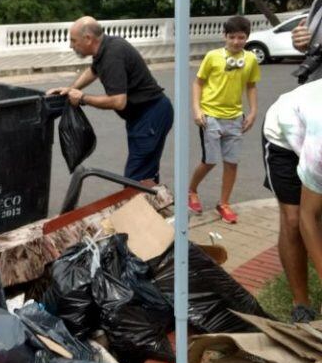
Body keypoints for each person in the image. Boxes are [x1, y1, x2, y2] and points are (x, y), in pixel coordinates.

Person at [46, 16, 173, 183]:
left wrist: (83, 98)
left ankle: (139, 207)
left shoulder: (112, 55)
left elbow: (119, 102)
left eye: (73, 40)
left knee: (135, 177)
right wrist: (72, 89)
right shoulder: (106, 48)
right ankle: (152, 205)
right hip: (145, 116)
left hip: (150, 116)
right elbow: (93, 71)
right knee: (146, 171)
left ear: (88, 39)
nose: (71, 45)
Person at [187, 16, 260, 224]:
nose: (237, 41)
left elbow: (251, 86)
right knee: (209, 161)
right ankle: (192, 190)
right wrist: (197, 109)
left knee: (232, 163)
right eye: (232, 37)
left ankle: (224, 203)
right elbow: (198, 83)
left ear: (247, 38)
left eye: (241, 37)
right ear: (224, 36)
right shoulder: (213, 56)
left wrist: (253, 112)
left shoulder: (251, 59)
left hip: (235, 119)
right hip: (210, 117)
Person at [262, 78, 322, 322]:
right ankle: (301, 303)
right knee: (295, 219)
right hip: (283, 138)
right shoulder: (319, 150)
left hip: (309, 122)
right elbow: (310, 217)